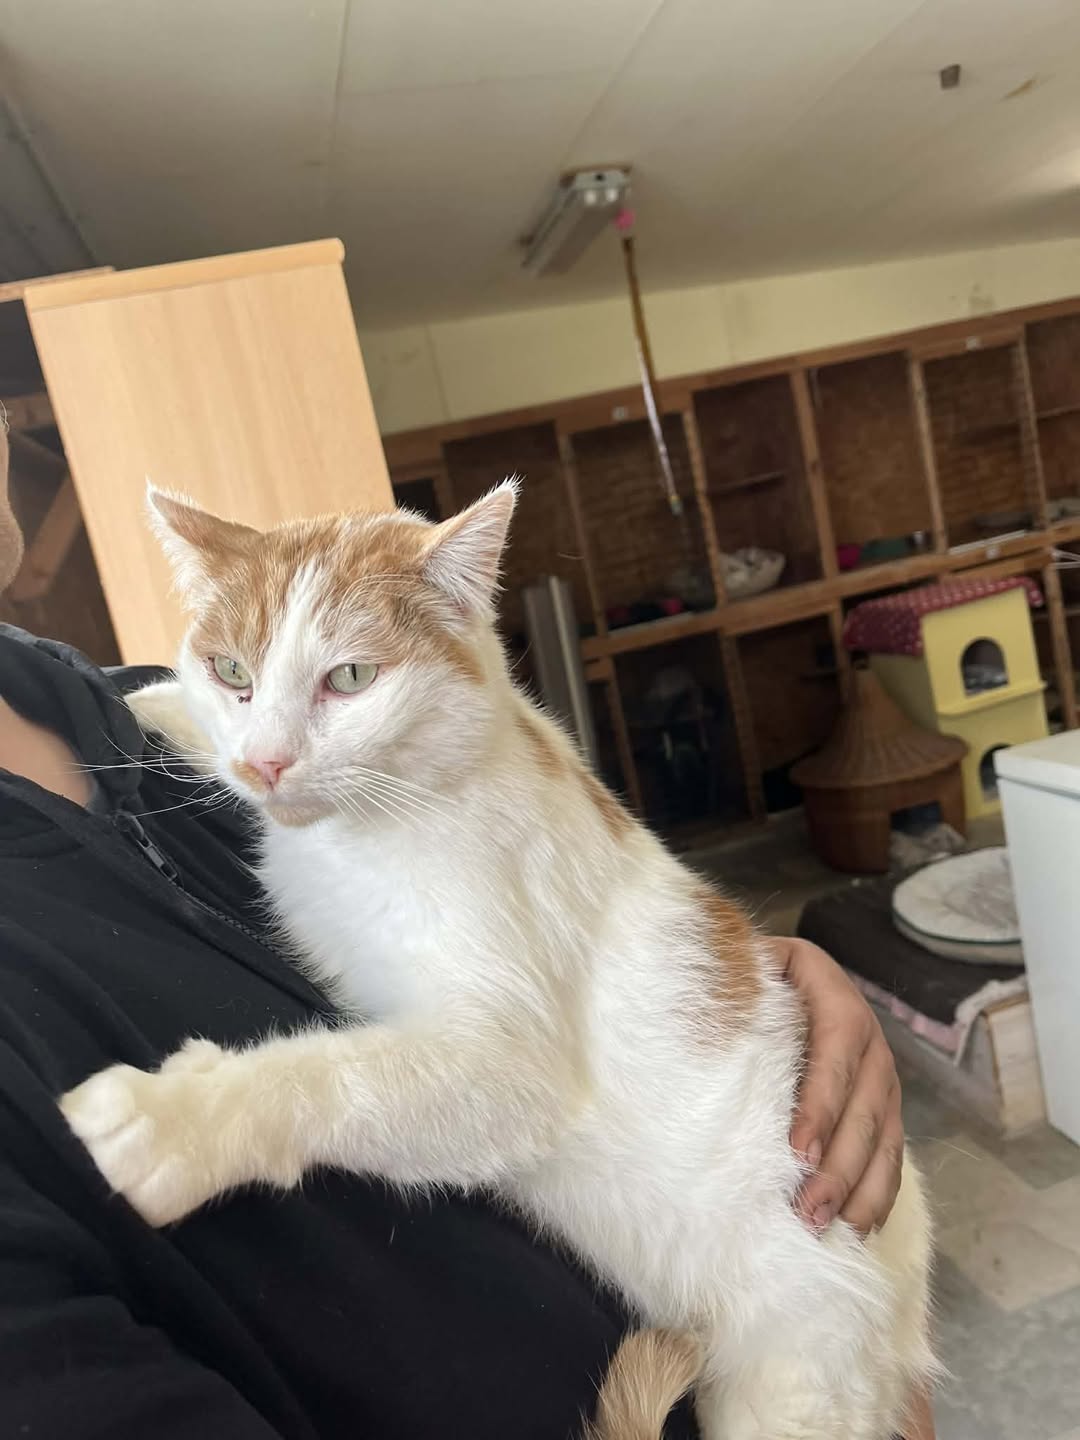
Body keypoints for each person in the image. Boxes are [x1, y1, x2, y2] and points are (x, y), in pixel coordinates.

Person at [0, 425, 933, 1438]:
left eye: (346, 681)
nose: (263, 756)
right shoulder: (227, 733)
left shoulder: (119, 714)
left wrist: (790, 976)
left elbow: (517, 1079)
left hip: (780, 1257)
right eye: (233, 680)